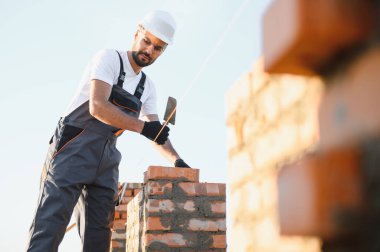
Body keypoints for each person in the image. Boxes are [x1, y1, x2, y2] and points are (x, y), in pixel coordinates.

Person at [26, 10, 190, 252]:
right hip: (73, 147)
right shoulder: (109, 59)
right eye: (147, 41)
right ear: (137, 34)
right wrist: (145, 127)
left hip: (105, 160)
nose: (149, 50)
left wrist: (177, 160)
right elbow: (98, 107)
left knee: (99, 237)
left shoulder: (148, 87)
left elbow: (155, 133)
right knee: (50, 227)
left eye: (157, 48)